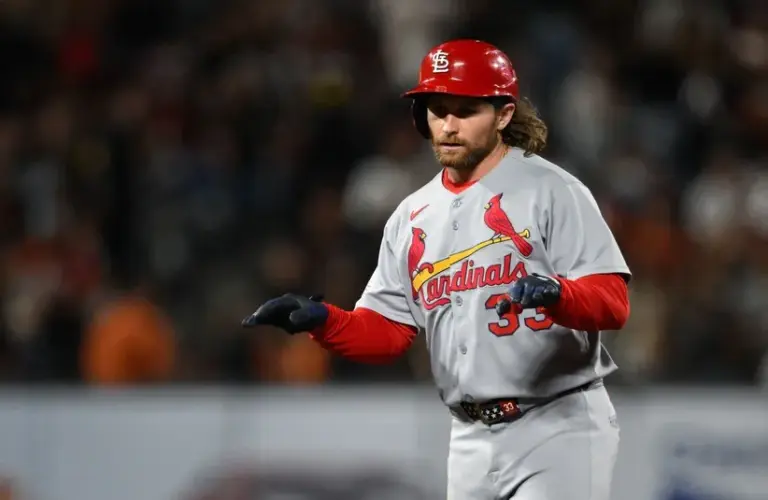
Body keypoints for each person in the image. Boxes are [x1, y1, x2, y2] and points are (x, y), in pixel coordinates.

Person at [243, 39, 631, 500]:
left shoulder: (553, 191)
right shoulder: (412, 216)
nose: (448, 125)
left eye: (465, 110)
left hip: (558, 424)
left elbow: (614, 302)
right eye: (437, 109)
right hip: (468, 439)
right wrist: (325, 321)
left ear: (503, 115)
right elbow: (389, 331)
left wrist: (559, 295)